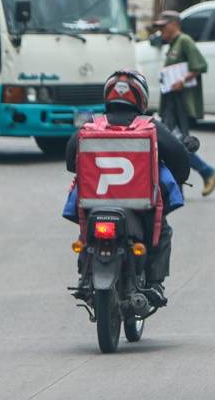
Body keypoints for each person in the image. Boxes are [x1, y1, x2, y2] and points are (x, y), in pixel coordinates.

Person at [65, 70, 190, 305]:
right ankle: (154, 282)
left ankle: (85, 278)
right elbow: (180, 160)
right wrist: (181, 177)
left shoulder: (91, 125)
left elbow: (71, 163)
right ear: (140, 97)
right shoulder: (151, 127)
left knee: (85, 238)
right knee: (162, 232)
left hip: (94, 206)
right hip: (140, 210)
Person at [152, 10, 215, 196]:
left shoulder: (185, 41)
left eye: (163, 27)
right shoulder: (173, 44)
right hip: (170, 104)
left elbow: (200, 65)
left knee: (177, 144)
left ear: (174, 24)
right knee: (171, 143)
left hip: (179, 105)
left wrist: (182, 80)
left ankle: (206, 172)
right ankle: (181, 184)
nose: (161, 32)